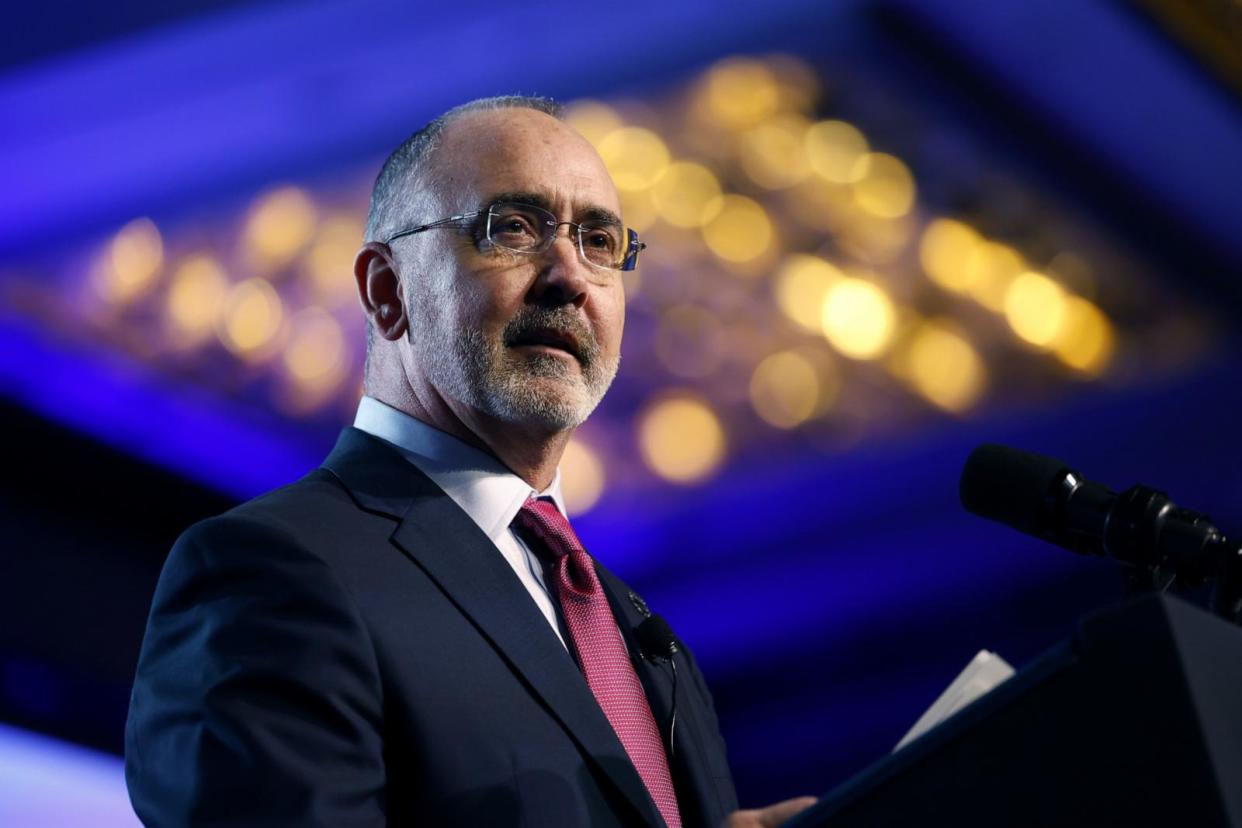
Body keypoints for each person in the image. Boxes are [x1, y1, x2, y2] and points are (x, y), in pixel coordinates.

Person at [125, 95, 815, 827]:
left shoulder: (647, 641)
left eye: (600, 241)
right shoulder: (270, 572)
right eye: (513, 228)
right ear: (388, 291)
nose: (570, 277)